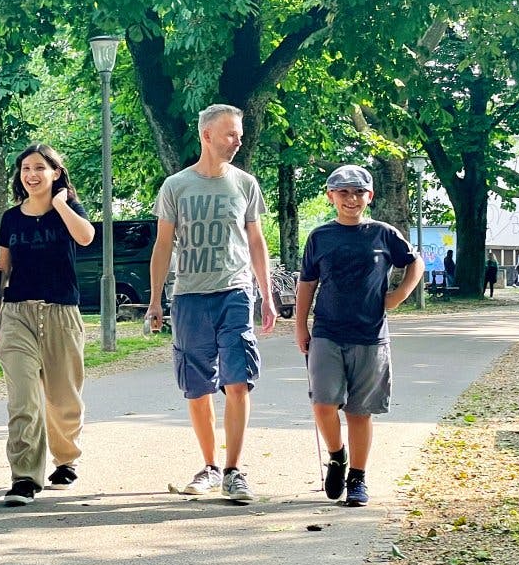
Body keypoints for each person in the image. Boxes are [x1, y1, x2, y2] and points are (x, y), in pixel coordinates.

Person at [145, 104, 277, 504]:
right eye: (230, 134)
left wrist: (267, 294)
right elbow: (163, 245)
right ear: (207, 135)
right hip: (189, 297)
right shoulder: (176, 186)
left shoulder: (245, 184)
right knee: (197, 387)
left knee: (237, 380)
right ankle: (209, 467)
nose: (238, 142)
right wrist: (154, 300)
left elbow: (256, 241)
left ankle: (234, 471)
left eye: (239, 135)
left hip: (235, 292)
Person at [294, 165, 423, 507]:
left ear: (370, 196)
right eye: (343, 192)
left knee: (359, 411)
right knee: (323, 404)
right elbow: (307, 282)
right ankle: (337, 456)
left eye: (358, 192)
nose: (351, 199)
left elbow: (415, 263)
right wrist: (300, 326)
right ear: (330, 196)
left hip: (370, 334)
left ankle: (358, 478)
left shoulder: (382, 234)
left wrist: (398, 295)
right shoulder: (320, 236)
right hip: (327, 331)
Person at [0, 144, 95, 507]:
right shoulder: (11, 218)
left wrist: (61, 204)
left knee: (64, 399)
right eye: (25, 169)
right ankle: (24, 477)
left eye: (39, 168)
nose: (31, 175)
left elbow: (85, 237)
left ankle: (66, 460)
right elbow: (2, 268)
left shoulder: (70, 210)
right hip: (18, 313)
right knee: (24, 399)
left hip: (61, 312)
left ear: (55, 173)